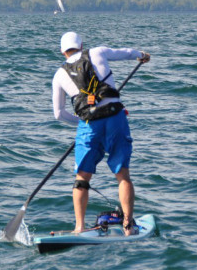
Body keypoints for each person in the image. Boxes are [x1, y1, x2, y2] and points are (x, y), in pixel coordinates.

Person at [51, 31, 150, 235]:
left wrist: (81, 122)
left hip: (89, 126)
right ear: (81, 45)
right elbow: (125, 53)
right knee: (122, 175)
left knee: (82, 179)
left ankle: (79, 227)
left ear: (63, 52)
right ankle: (128, 226)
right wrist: (141, 54)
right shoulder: (97, 52)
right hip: (115, 119)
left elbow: (59, 114)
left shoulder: (59, 75)